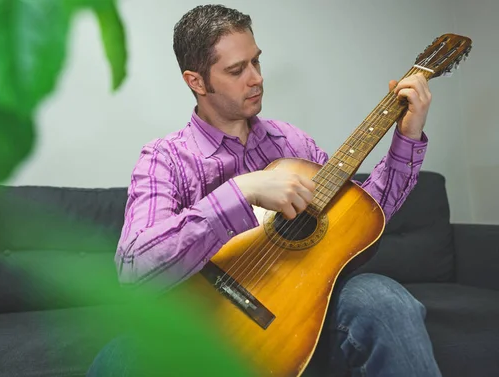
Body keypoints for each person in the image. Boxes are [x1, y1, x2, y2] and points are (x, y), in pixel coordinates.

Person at [88, 4, 442, 377]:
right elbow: (133, 270)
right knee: (118, 360)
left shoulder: (292, 143)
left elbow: (359, 218)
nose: (255, 78)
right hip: (201, 322)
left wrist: (408, 135)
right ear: (196, 81)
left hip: (302, 312)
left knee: (381, 297)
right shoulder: (166, 159)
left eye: (256, 62)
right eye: (237, 70)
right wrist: (241, 191)